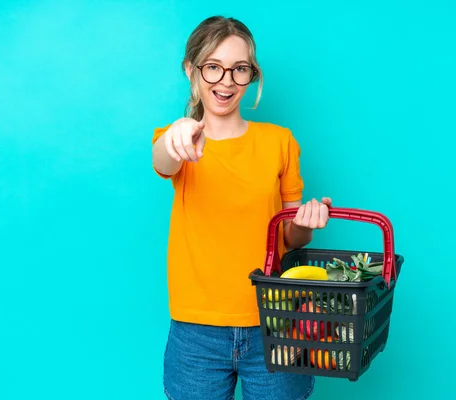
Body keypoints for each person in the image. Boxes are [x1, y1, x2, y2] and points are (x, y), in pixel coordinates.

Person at [151, 15, 332, 400]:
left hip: (277, 320)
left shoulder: (279, 142)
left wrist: (306, 223)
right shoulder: (179, 140)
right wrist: (177, 135)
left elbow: (290, 236)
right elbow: (163, 160)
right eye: (213, 67)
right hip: (196, 332)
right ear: (191, 70)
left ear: (252, 75)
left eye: (239, 69)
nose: (226, 81)